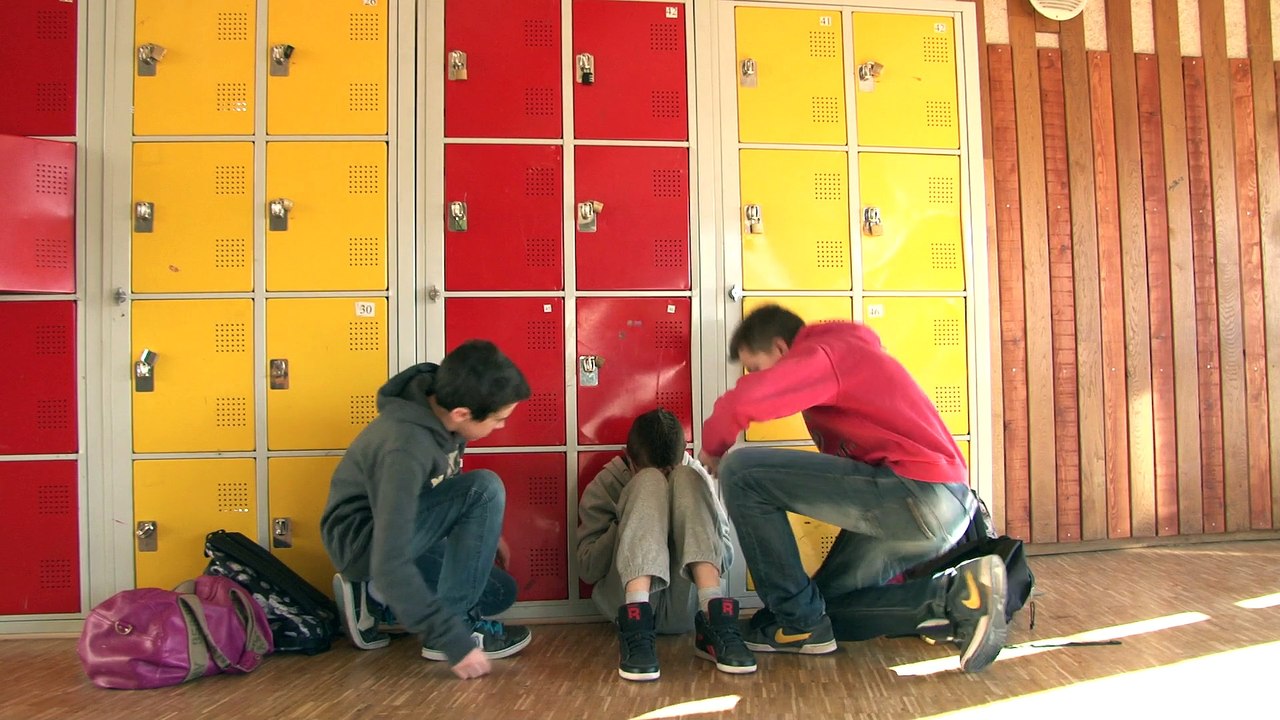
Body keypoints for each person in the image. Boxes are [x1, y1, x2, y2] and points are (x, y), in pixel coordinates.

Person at [698, 304, 1009, 673]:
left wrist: (714, 448)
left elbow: (746, 400)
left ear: (782, 350)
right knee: (824, 608)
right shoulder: (846, 356)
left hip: (918, 492)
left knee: (741, 471)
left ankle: (796, 625)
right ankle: (957, 598)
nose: (753, 378)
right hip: (933, 506)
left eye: (756, 368)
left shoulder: (828, 353)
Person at [321, 339, 533, 680]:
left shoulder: (443, 403)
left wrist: (485, 532)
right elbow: (390, 562)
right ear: (462, 414)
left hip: (402, 525)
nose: (501, 427)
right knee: (485, 487)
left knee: (499, 592)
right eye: (497, 420)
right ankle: (390, 593)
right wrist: (454, 642)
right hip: (364, 543)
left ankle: (376, 600)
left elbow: (448, 484)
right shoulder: (405, 447)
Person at [577, 409, 756, 681]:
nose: (666, 476)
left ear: (682, 455)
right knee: (649, 484)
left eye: (669, 470)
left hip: (688, 605)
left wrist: (682, 510)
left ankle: (715, 619)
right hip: (624, 605)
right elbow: (588, 568)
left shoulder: (691, 473)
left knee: (687, 478)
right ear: (629, 458)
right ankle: (636, 623)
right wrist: (628, 519)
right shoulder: (606, 483)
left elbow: (726, 558)